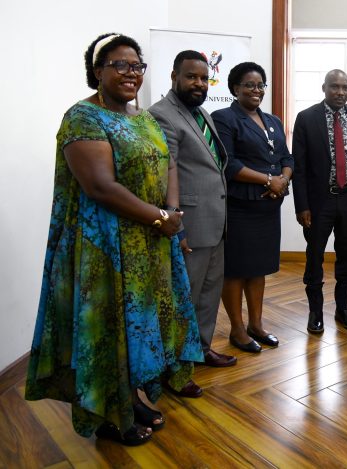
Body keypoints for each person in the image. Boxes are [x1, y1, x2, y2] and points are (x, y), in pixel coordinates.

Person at [25, 33, 203, 446]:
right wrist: (161, 218)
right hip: (104, 246)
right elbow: (100, 187)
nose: (130, 73)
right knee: (109, 327)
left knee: (139, 328)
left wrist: (172, 213)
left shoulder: (143, 118)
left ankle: (132, 397)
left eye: (137, 66)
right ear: (97, 71)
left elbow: (169, 164)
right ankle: (108, 413)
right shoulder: (83, 118)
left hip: (151, 242)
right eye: (119, 65)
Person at [149, 50, 236, 369]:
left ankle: (200, 349)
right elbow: (164, 172)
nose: (199, 83)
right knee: (183, 297)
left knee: (209, 293)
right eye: (191, 77)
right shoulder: (161, 115)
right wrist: (177, 224)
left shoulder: (202, 113)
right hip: (188, 224)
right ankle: (174, 364)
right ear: (174, 77)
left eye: (203, 78)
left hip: (214, 222)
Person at [212, 62, 293, 353]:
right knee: (236, 269)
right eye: (249, 85)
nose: (256, 90)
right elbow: (229, 163)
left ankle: (256, 325)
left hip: (268, 207)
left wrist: (282, 180)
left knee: (259, 268)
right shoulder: (224, 118)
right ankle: (237, 329)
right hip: (240, 206)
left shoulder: (273, 120)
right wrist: (269, 180)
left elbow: (287, 158)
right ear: (235, 88)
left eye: (260, 85)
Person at [292, 69, 347, 334]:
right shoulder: (306, 118)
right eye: (335, 86)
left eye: (345, 87)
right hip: (319, 203)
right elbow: (299, 167)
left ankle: (343, 309)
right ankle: (315, 312)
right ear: (324, 88)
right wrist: (302, 206)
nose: (340, 92)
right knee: (314, 256)